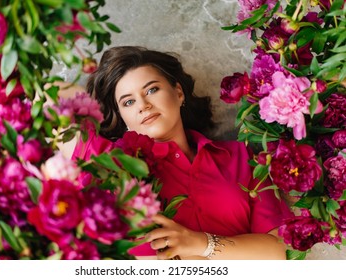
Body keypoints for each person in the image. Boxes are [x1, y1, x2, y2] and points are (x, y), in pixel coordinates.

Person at [72, 46, 292, 260]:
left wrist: (200, 243)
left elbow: (276, 251)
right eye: (128, 102)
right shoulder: (118, 174)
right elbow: (54, 101)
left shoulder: (239, 156)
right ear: (123, 119)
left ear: (178, 93)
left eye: (151, 90)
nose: (143, 105)